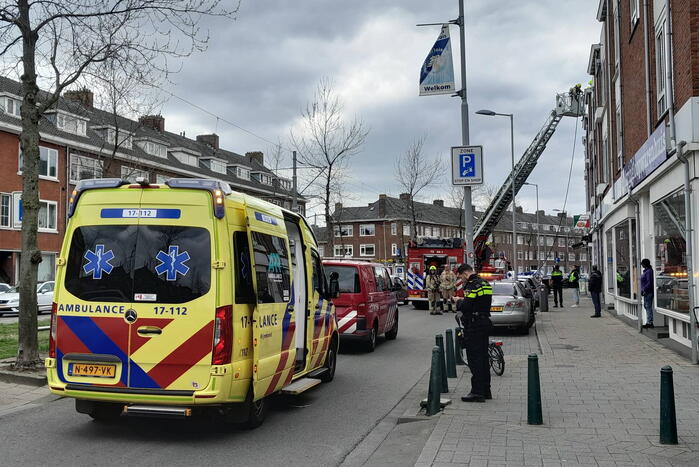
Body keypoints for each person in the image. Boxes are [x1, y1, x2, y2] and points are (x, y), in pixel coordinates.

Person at [456, 264, 493, 402]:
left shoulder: (472, 286)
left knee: (474, 359)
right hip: (484, 323)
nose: (462, 280)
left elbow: (466, 306)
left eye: (461, 277)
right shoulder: (485, 283)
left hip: (474, 325)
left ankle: (477, 392)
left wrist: (459, 302)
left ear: (465, 273)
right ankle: (486, 390)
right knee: (483, 358)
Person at [640, 258, 654, 328]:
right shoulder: (646, 271)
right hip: (645, 291)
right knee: (646, 306)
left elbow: (649, 282)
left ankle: (650, 322)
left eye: (642, 263)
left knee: (648, 306)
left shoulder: (648, 272)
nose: (641, 265)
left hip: (648, 291)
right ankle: (649, 321)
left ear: (645, 264)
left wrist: (644, 289)